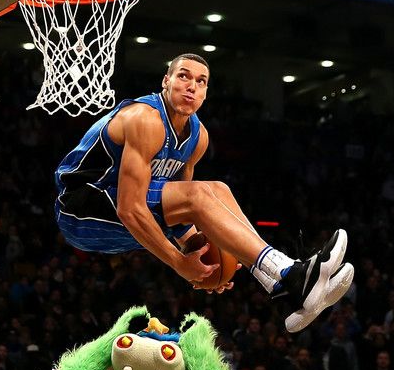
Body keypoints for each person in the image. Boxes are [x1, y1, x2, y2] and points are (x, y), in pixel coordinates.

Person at [55, 53, 353, 332]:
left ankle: (279, 286)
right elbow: (130, 208)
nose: (192, 86)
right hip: (80, 207)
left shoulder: (198, 138)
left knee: (218, 189)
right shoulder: (144, 119)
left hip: (122, 207)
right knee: (198, 194)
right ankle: (290, 272)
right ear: (166, 81)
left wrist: (206, 261)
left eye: (201, 81)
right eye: (183, 76)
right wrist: (178, 262)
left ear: (206, 92)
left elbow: (180, 212)